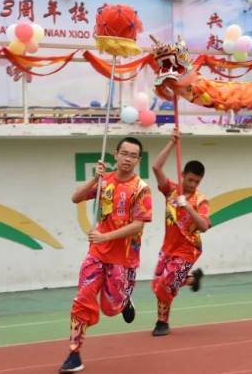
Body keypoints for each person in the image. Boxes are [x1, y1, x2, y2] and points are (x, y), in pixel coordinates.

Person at [59, 137, 152, 373]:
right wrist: (95, 177)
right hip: (97, 254)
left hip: (123, 257)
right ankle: (74, 353)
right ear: (115, 155)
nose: (128, 159)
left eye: (133, 155)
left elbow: (138, 225)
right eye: (124, 153)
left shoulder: (141, 189)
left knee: (111, 308)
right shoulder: (105, 181)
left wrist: (106, 236)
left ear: (138, 160)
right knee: (82, 299)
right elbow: (75, 197)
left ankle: (124, 299)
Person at [151, 129, 211, 336]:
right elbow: (156, 167)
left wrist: (188, 206)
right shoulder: (171, 190)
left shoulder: (200, 200)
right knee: (156, 285)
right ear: (183, 175)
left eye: (197, 182)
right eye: (190, 180)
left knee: (165, 285)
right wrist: (171, 143)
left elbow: (203, 225)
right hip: (168, 247)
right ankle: (192, 280)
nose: (193, 185)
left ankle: (162, 323)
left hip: (188, 249)